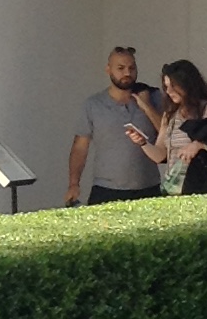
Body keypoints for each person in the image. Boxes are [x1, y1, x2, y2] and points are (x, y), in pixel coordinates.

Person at [125, 59, 207, 196]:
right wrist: (142, 142)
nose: (169, 91)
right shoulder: (170, 115)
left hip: (202, 187)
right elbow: (160, 155)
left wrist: (198, 144)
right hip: (174, 189)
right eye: (166, 86)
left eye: (173, 86)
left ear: (187, 84)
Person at [66, 47, 163, 204]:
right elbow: (80, 147)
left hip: (148, 188)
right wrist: (73, 184)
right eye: (120, 68)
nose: (127, 73)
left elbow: (167, 135)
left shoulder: (154, 97)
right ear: (108, 69)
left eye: (132, 68)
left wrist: (146, 106)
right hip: (106, 189)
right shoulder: (93, 105)